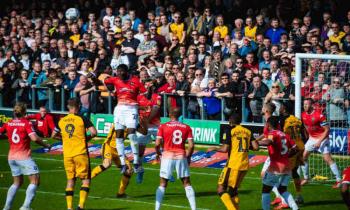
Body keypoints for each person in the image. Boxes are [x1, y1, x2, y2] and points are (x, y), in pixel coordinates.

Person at [0, 102, 51, 210]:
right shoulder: (26, 123)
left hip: (11, 157)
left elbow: (3, 134)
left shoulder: (8, 123)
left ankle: (6, 207)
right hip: (23, 157)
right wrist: (46, 145)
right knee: (35, 180)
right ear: (24, 112)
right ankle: (25, 207)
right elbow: (34, 138)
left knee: (17, 182)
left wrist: (7, 136)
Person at [51, 98, 97, 210]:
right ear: (79, 106)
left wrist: (64, 139)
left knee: (70, 180)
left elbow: (53, 135)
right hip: (80, 153)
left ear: (68, 106)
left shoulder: (62, 120)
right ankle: (81, 206)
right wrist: (86, 139)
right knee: (85, 180)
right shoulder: (82, 118)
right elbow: (94, 132)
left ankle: (69, 207)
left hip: (67, 154)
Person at [208, 113, 258, 210]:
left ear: (230, 122)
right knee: (233, 190)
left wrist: (214, 148)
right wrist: (247, 145)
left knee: (221, 189)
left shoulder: (230, 130)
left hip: (233, 164)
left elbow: (225, 149)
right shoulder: (248, 131)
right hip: (244, 165)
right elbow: (256, 147)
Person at [104, 64, 146, 173]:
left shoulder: (135, 81)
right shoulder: (115, 79)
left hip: (131, 109)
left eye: (121, 72)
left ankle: (136, 161)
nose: (119, 74)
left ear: (126, 72)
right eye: (117, 72)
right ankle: (123, 163)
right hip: (119, 109)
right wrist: (110, 89)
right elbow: (106, 81)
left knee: (132, 134)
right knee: (119, 137)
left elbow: (145, 92)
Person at [155, 108, 196, 210]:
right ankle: (194, 208)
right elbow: (191, 146)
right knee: (186, 183)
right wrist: (189, 156)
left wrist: (158, 153)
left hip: (167, 156)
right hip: (181, 156)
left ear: (169, 114)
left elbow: (157, 143)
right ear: (180, 115)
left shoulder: (163, 126)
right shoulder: (186, 127)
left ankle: (157, 209)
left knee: (163, 183)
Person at [257, 116, 299, 210]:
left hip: (276, 167)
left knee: (266, 190)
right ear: (278, 124)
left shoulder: (272, 133)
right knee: (282, 189)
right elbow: (296, 149)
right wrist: (286, 156)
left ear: (268, 125)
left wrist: (257, 142)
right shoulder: (285, 135)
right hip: (287, 167)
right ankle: (295, 208)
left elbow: (268, 142)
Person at [301, 98, 341, 188]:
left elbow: (327, 130)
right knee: (303, 157)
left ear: (312, 105)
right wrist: (308, 136)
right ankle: (306, 178)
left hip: (322, 138)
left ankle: (339, 180)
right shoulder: (303, 114)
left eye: (307, 104)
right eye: (304, 104)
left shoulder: (319, 115)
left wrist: (319, 141)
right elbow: (306, 126)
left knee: (327, 159)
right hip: (312, 138)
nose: (305, 106)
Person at [90, 124, 134, 197]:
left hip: (119, 150)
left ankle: (120, 193)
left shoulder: (131, 123)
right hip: (109, 146)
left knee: (129, 170)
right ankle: (87, 180)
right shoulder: (118, 122)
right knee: (107, 164)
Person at [279, 102, 307, 205]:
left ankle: (284, 200)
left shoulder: (282, 120)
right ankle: (299, 195)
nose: (280, 108)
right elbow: (305, 135)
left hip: (291, 149)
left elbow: (280, 135)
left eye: (281, 106)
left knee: (284, 172)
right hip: (300, 146)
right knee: (294, 171)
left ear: (284, 109)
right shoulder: (297, 119)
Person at [135, 79, 161, 183]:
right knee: (140, 151)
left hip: (155, 126)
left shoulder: (157, 96)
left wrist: (147, 120)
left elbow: (156, 108)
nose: (149, 86)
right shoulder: (139, 97)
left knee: (162, 148)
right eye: (147, 84)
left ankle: (166, 173)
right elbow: (135, 109)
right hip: (143, 126)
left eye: (151, 85)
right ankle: (140, 171)